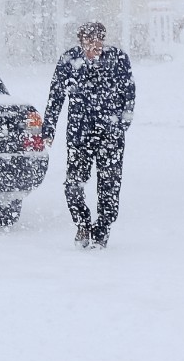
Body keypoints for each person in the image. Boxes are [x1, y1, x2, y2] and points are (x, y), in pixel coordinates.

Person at [45, 21, 136, 249]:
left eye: (97, 42)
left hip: (110, 135)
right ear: (81, 42)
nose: (93, 47)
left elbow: (129, 92)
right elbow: (56, 95)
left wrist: (122, 124)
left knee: (110, 185)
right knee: (73, 185)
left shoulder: (118, 59)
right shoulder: (69, 60)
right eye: (88, 42)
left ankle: (102, 230)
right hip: (79, 134)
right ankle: (82, 223)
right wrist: (49, 129)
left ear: (103, 41)